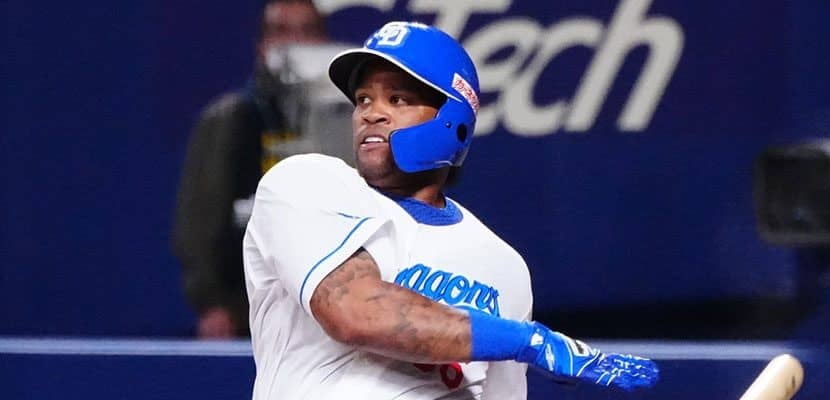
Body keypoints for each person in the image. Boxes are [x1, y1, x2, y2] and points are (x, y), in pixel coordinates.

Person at [242, 21, 659, 399]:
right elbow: (355, 313)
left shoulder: (503, 265)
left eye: (397, 98)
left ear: (452, 117)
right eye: (363, 99)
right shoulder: (306, 183)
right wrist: (528, 341)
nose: (371, 113)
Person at [173, 0, 353, 339]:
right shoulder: (229, 119)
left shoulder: (351, 120)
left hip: (334, 311)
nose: (295, 43)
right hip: (247, 311)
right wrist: (213, 303)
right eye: (282, 32)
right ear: (261, 45)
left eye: (307, 31)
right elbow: (199, 223)